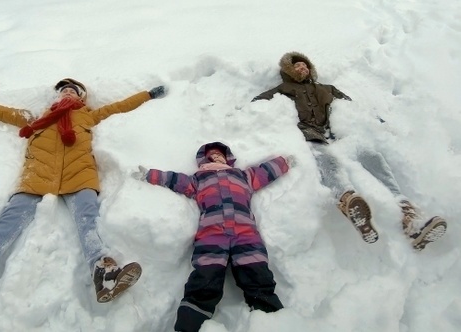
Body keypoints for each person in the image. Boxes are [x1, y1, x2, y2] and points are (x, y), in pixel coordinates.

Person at [0, 78, 166, 307]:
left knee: (88, 219)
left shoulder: (89, 116)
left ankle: (104, 272)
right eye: (64, 90)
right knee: (6, 224)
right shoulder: (34, 118)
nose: (67, 93)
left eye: (73, 91)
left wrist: (147, 95)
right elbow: (3, 113)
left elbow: (121, 106)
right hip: (36, 177)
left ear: (81, 98)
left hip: (79, 176)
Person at [252, 51, 447, 250]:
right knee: (328, 162)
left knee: (372, 157)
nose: (302, 68)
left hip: (338, 136)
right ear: (288, 70)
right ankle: (348, 200)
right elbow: (256, 105)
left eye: (305, 65)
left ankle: (409, 216)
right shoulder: (283, 90)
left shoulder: (327, 89)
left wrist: (376, 123)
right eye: (297, 66)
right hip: (310, 138)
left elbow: (353, 109)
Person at [133, 141, 291, 332]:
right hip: (211, 235)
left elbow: (265, 172)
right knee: (205, 279)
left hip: (246, 234)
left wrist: (283, 162)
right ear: (203, 161)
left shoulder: (243, 176)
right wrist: (151, 175)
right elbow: (174, 180)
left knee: (258, 275)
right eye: (211, 156)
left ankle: (273, 321)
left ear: (228, 158)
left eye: (219, 155)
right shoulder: (198, 180)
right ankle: (190, 325)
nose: (216, 157)